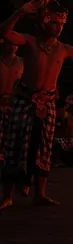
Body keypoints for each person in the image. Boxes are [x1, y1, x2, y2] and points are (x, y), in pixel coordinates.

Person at [0, 0, 73, 208]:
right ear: (43, 21)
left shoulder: (65, 49)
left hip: (48, 103)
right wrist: (20, 12)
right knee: (15, 147)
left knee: (44, 148)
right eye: (54, 22)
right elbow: (4, 33)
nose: (58, 28)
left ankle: (39, 194)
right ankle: (7, 196)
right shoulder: (29, 41)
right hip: (24, 101)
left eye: (61, 24)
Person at [0, 36, 23, 165]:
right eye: (10, 43)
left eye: (15, 43)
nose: (13, 46)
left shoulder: (22, 62)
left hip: (15, 105)